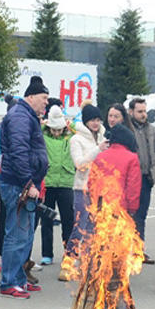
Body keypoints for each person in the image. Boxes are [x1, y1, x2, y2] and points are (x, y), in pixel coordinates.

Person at [0, 76, 50, 298]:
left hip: (24, 183)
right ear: (31, 96)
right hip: (18, 185)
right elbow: (19, 152)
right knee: (17, 235)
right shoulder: (20, 116)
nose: (46, 103)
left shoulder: (26, 116)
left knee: (24, 235)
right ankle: (9, 282)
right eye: (44, 98)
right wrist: (28, 183)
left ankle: (19, 279)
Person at [62, 103, 108, 280]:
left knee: (93, 228)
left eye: (98, 120)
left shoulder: (103, 137)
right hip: (82, 188)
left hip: (100, 189)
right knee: (80, 226)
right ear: (85, 121)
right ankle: (68, 263)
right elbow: (79, 164)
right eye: (92, 120)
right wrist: (98, 149)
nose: (95, 123)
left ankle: (87, 264)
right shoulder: (77, 139)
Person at [38, 105, 75, 267]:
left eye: (59, 130)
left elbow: (80, 130)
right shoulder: (43, 135)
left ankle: (69, 253)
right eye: (53, 129)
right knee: (46, 220)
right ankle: (47, 254)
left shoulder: (70, 136)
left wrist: (69, 124)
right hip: (48, 182)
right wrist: (45, 123)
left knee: (68, 220)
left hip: (66, 183)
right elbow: (36, 128)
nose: (56, 132)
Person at [124, 97, 155, 263]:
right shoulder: (127, 129)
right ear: (131, 112)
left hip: (146, 178)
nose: (143, 114)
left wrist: (154, 169)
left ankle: (139, 251)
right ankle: (125, 252)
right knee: (129, 216)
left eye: (144, 111)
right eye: (140, 111)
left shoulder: (151, 129)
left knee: (141, 217)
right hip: (132, 179)